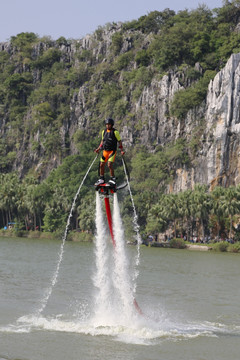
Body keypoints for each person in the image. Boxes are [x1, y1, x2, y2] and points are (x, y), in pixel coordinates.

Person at [94, 118, 125, 186]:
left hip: (112, 151)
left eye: (109, 124)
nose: (107, 126)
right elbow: (102, 141)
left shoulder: (115, 132)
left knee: (109, 164)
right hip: (105, 151)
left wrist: (122, 150)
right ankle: (101, 179)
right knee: (101, 164)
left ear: (112, 125)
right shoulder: (104, 132)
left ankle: (112, 179)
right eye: (106, 124)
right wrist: (98, 148)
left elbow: (119, 141)